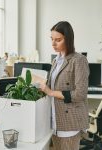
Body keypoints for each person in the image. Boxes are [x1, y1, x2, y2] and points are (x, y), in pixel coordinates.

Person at [39, 21, 89, 150]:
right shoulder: (56, 61)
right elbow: (52, 85)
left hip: (70, 121)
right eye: (52, 39)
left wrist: (50, 92)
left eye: (58, 40)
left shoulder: (79, 60)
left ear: (68, 39)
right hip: (55, 120)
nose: (53, 44)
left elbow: (80, 94)